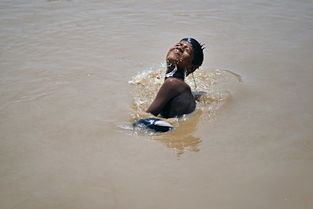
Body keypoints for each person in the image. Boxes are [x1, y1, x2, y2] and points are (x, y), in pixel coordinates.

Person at [146, 38, 204, 118]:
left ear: (191, 68)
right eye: (179, 44)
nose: (179, 48)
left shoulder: (172, 84)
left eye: (187, 50)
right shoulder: (180, 87)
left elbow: (146, 117)